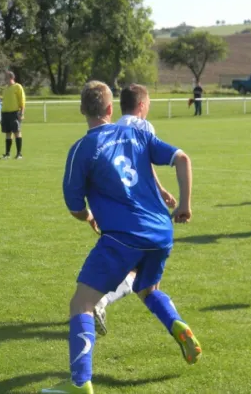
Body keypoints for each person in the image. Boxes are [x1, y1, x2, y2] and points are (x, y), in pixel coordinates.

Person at [42, 81, 201, 394]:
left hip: (123, 237)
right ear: (111, 109)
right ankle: (177, 325)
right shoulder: (138, 132)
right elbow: (182, 158)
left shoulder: (80, 150)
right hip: (161, 233)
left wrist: (89, 217)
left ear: (81, 110)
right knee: (147, 288)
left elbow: (74, 206)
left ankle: (80, 383)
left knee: (82, 304)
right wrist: (183, 204)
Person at [93, 83, 177, 336]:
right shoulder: (144, 127)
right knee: (146, 278)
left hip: (118, 205)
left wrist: (161, 189)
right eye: (149, 102)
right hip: (143, 208)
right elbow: (147, 162)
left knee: (132, 266)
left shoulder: (116, 126)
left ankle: (101, 299)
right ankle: (104, 300)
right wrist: (159, 193)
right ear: (141, 105)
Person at [1, 71, 25, 159]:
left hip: (14, 113)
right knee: (8, 133)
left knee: (17, 132)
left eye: (6, 77)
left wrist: (21, 112)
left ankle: (19, 154)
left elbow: (22, 100)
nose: (4, 78)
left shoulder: (17, 87)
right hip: (5, 113)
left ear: (11, 77)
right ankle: (7, 153)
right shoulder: (6, 88)